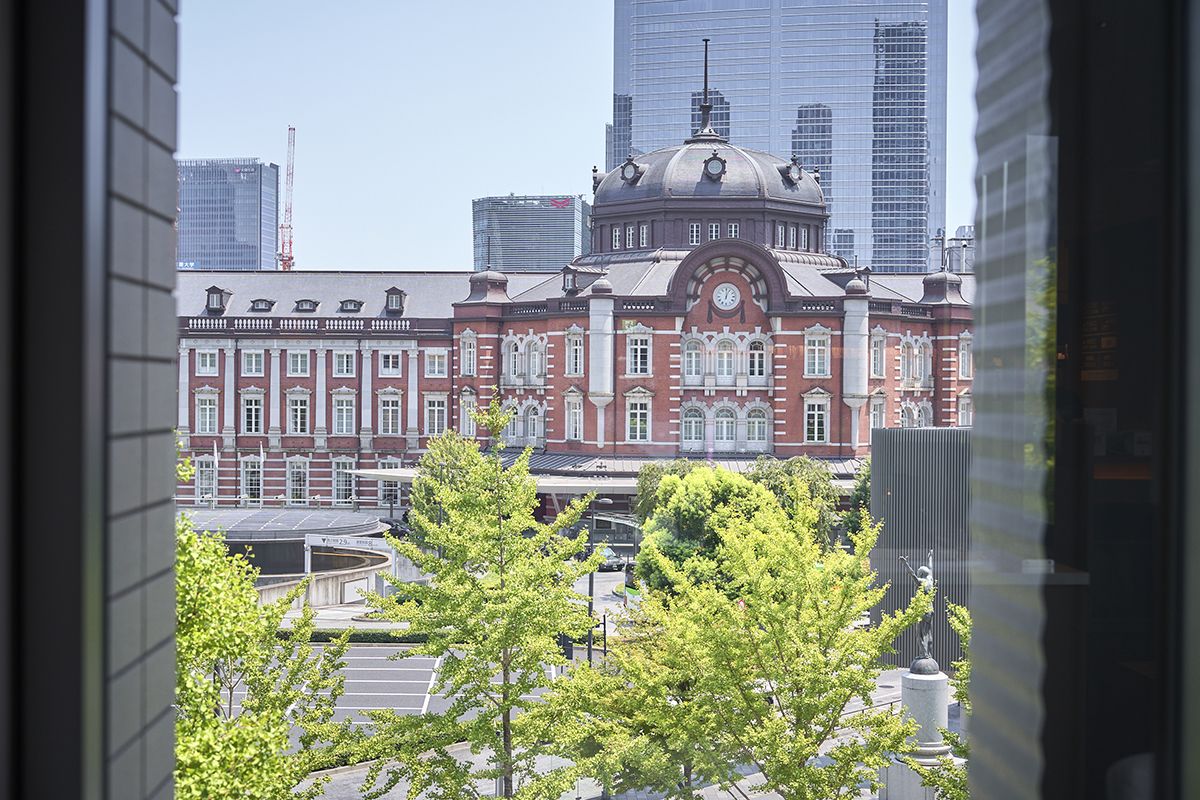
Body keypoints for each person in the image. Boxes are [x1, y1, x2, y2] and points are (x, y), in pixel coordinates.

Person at [899, 549, 936, 662]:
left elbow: (912, 575)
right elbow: (931, 569)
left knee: (920, 633)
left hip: (922, 611)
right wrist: (930, 557)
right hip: (930, 610)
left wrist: (905, 564)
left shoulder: (921, 582)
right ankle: (928, 653)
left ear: (920, 574)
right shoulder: (930, 580)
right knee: (928, 632)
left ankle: (923, 654)